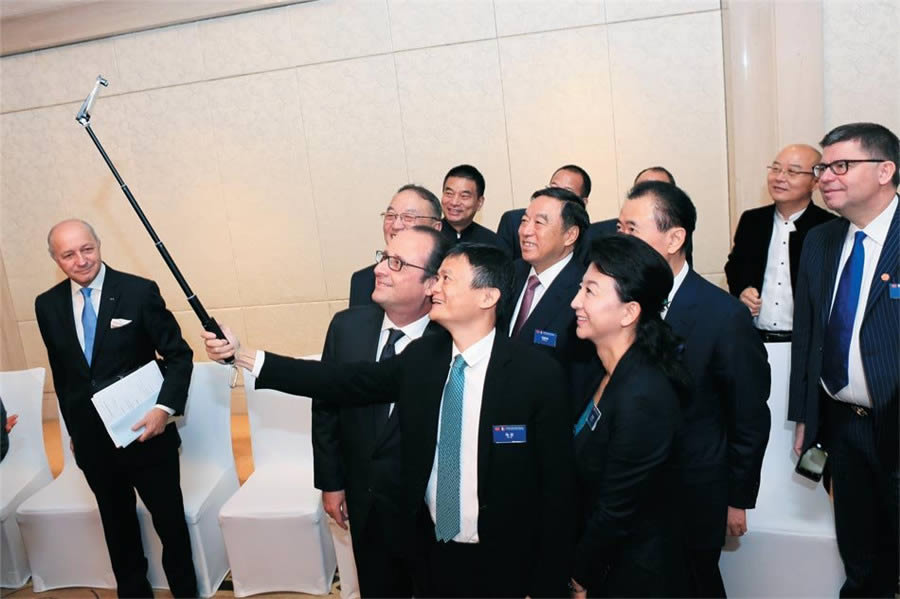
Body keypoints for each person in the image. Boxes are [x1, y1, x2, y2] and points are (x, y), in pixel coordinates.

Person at [205, 244, 575, 598]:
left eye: (446, 279)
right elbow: (340, 380)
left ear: (487, 296)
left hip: (505, 561)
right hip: (430, 552)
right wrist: (244, 356)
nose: (434, 287)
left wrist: (547, 585)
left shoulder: (536, 375)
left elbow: (558, 492)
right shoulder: (423, 358)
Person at [618, 182, 771, 597]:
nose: (622, 240)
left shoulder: (723, 316)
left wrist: (737, 498)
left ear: (674, 239)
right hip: (632, 491)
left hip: (694, 491)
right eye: (620, 228)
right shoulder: (618, 305)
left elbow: (749, 414)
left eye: (632, 229)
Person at [34, 219, 197, 598]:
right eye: (68, 255)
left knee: (170, 526)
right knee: (117, 529)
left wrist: (163, 409)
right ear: (56, 259)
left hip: (147, 434)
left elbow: (179, 356)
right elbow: (64, 375)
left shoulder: (138, 291)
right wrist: (74, 431)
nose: (81, 261)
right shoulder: (47, 305)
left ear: (98, 244)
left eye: (87, 249)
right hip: (94, 443)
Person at [788, 122, 899, 597]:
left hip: (895, 422)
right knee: (862, 561)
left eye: (841, 166)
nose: (825, 178)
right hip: (843, 428)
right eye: (823, 168)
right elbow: (808, 335)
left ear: (885, 171)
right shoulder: (820, 241)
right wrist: (805, 416)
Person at [315, 227, 450, 597]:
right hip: (364, 501)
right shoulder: (346, 327)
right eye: (383, 257)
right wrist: (331, 482)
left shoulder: (450, 342)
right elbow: (325, 408)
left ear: (432, 283)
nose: (379, 269)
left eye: (396, 263)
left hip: (428, 513)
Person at [568, 235, 690, 598]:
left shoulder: (644, 394)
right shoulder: (602, 372)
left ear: (628, 312)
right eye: (580, 288)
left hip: (634, 575)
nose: (575, 302)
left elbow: (617, 509)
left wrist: (579, 579)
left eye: (590, 291)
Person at [725, 144, 835, 340]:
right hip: (755, 337)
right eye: (775, 169)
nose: (779, 178)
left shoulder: (829, 227)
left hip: (808, 340)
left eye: (792, 172)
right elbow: (735, 266)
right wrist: (743, 290)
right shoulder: (752, 220)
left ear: (816, 181)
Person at [505, 187, 592, 367]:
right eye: (524, 221)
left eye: (539, 223)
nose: (525, 231)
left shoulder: (585, 290)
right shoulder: (509, 272)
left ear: (570, 235)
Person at [349, 184, 443, 307]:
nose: (396, 225)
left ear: (436, 228)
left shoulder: (451, 279)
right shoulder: (364, 281)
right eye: (390, 216)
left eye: (408, 217)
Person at [496, 165, 609, 259]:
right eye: (553, 188)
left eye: (566, 192)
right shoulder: (513, 221)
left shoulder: (589, 237)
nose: (557, 194)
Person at [439, 165, 506, 251]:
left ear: (479, 202)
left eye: (464, 196)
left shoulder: (492, 243)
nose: (454, 202)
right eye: (449, 193)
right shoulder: (428, 236)